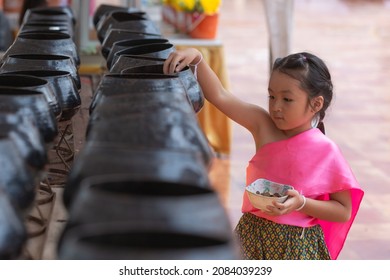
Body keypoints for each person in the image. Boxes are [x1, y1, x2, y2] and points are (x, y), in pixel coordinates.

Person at [163, 48, 364, 260]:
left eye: (287, 100)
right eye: (271, 96)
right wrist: (197, 58)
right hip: (251, 237)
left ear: (316, 104)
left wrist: (301, 203)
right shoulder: (263, 125)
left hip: (298, 248)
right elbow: (220, 96)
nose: (276, 106)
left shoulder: (326, 151)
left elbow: (343, 211)